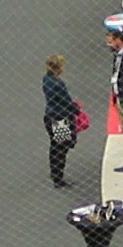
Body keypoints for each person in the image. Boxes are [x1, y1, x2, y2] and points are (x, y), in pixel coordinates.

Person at [41, 56, 85, 188]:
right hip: (60, 118)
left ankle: (55, 172)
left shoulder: (46, 79)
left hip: (50, 115)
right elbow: (65, 101)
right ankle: (58, 177)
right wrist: (77, 111)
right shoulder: (58, 84)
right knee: (61, 147)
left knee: (55, 145)